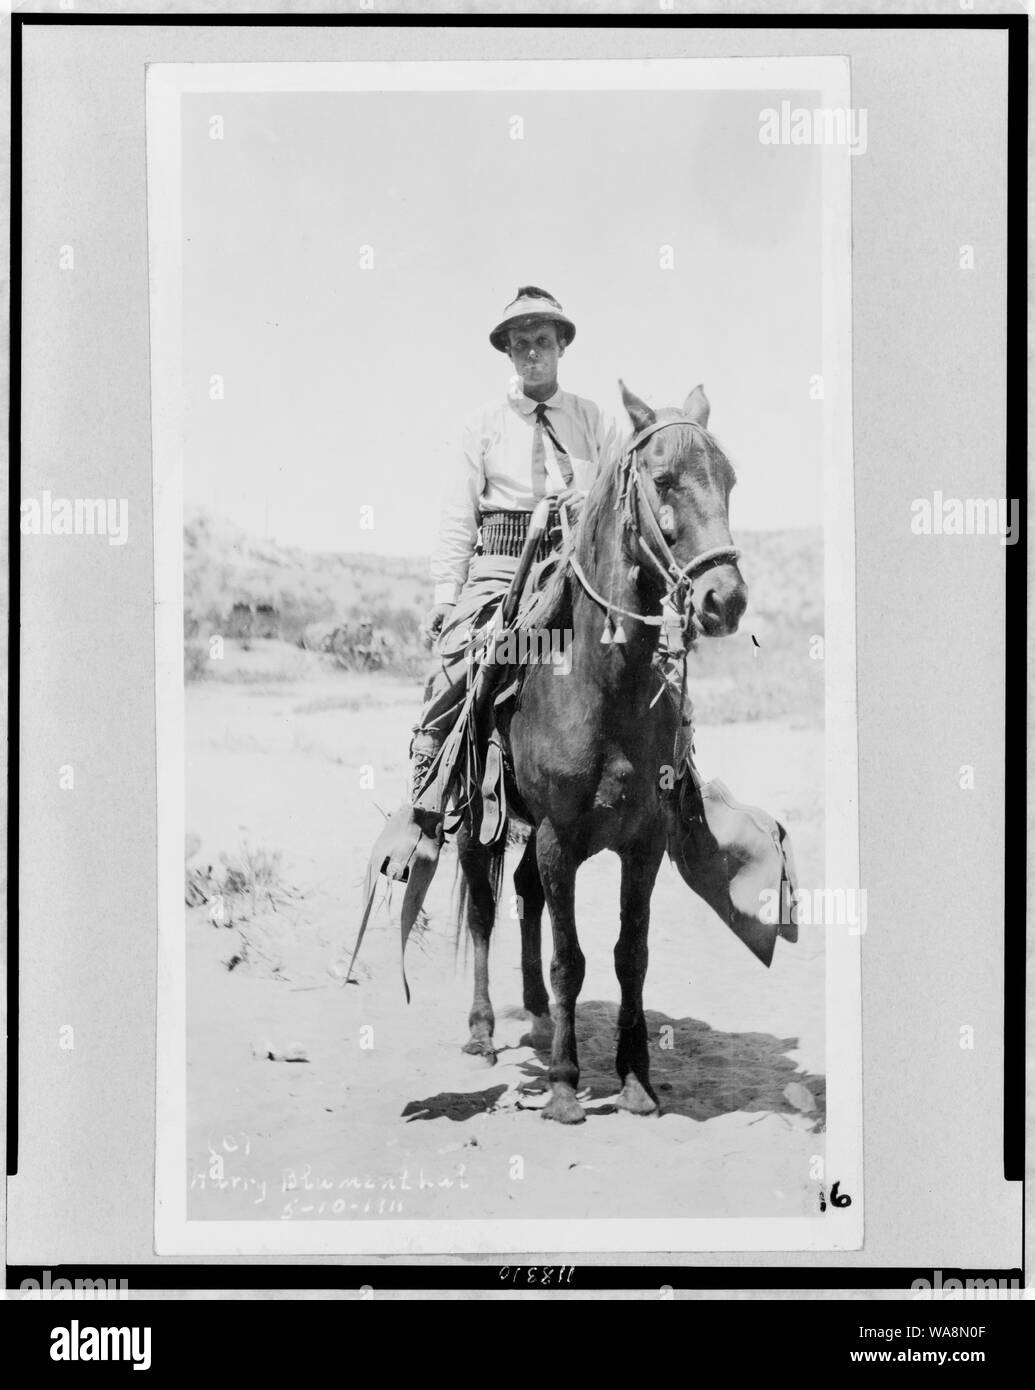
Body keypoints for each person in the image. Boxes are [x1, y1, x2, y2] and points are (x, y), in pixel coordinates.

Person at [407, 286, 613, 824]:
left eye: (542, 340)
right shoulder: (482, 425)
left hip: (578, 565)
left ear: (562, 345)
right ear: (508, 352)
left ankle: (675, 781)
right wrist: (445, 596)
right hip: (503, 565)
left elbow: (620, 496)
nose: (531, 353)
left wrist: (587, 499)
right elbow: (458, 515)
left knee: (642, 646)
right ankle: (432, 771)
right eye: (519, 344)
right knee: (466, 655)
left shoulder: (594, 420)